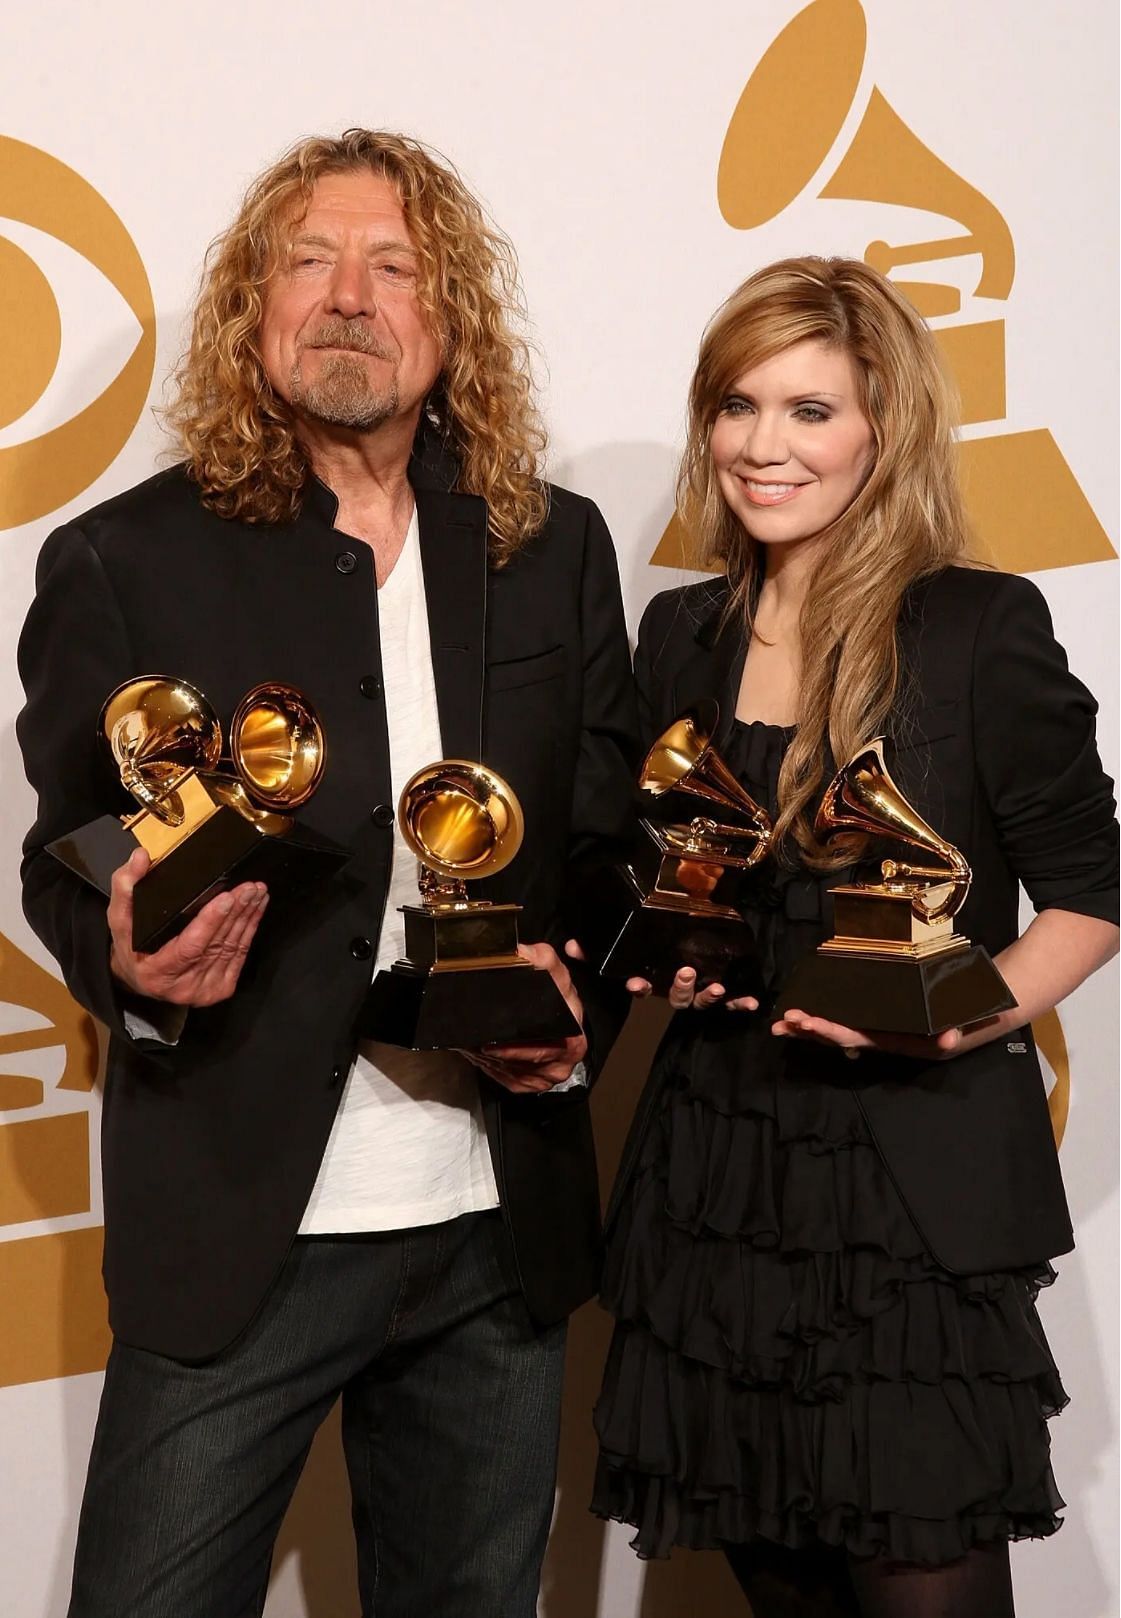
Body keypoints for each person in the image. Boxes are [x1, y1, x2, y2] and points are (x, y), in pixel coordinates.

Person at [17, 129, 637, 1618]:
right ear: (254, 304)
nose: (349, 295)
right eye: (310, 258)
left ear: (449, 318)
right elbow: (71, 847)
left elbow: (610, 842)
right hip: (244, 1218)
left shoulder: (550, 547)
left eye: (393, 265)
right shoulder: (124, 559)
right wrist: (131, 960)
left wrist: (577, 1017)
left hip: (497, 1224)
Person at [589, 257, 1118, 1617]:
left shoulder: (974, 629)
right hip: (717, 1169)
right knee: (779, 1583)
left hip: (907, 1190)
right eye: (737, 403)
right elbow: (669, 877)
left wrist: (955, 1009)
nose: (763, 445)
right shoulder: (679, 634)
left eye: (809, 410)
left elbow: (1089, 891)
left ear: (884, 427)